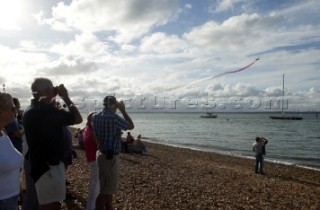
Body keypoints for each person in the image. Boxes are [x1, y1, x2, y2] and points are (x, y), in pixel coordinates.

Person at [23, 78, 83, 210]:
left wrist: (53, 95)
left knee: (50, 203)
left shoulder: (31, 109)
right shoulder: (46, 111)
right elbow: (78, 118)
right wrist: (66, 97)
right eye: (52, 89)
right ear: (47, 91)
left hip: (41, 165)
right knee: (52, 205)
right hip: (49, 167)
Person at [92, 95, 134, 210]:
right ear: (114, 105)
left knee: (107, 189)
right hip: (110, 158)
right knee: (104, 192)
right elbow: (131, 125)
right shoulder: (114, 118)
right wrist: (123, 110)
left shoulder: (95, 117)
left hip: (101, 153)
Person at [0, 92, 24, 210]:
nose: (16, 111)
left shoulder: (3, 132)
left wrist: (19, 190)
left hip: (11, 199)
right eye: (12, 108)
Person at [83, 112, 99, 210]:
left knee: (95, 183)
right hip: (95, 158)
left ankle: (93, 205)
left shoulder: (87, 129)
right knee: (95, 183)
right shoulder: (93, 132)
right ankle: (91, 206)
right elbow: (99, 144)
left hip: (91, 157)